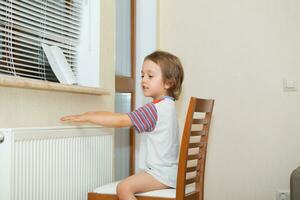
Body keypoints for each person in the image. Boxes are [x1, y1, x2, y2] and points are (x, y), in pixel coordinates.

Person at [60, 50, 184, 200]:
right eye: (142, 75)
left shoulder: (154, 109)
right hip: (171, 173)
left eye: (150, 76)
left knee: (124, 187)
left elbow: (120, 120)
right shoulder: (169, 106)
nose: (144, 80)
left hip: (160, 175)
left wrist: (88, 116)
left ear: (169, 82)